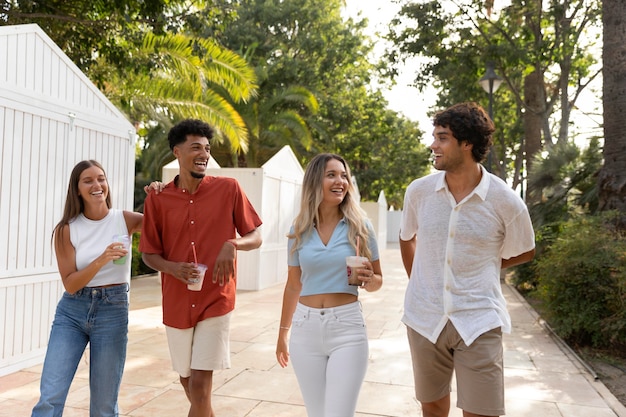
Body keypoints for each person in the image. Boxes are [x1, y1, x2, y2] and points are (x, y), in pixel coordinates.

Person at [399, 102, 536, 417]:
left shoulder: (505, 201)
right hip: (425, 318)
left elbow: (526, 250)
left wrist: (488, 265)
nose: (433, 145)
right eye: (434, 136)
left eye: (442, 137)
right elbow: (407, 237)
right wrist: (419, 282)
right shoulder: (418, 192)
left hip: (479, 318)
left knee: (481, 411)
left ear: (467, 143)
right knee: (432, 406)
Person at [139, 118, 262, 417]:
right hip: (178, 301)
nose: (204, 154)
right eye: (196, 147)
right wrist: (172, 268)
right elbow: (148, 254)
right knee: (187, 380)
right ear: (177, 153)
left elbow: (255, 236)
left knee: (201, 386)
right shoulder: (158, 198)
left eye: (207, 148)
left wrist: (231, 245)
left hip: (216, 298)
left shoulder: (229, 189)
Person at [31, 160, 143, 417]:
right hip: (72, 312)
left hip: (112, 312)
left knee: (104, 406)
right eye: (88, 180)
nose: (97, 185)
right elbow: (70, 284)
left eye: (101, 178)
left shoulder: (125, 220)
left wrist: (161, 192)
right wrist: (102, 259)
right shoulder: (67, 230)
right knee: (50, 397)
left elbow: (166, 225)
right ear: (77, 189)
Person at [276, 153, 383, 417]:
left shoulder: (360, 227)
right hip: (305, 329)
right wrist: (282, 333)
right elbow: (293, 285)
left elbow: (378, 279)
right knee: (317, 413)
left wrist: (370, 281)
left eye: (344, 175)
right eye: (331, 175)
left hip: (347, 329)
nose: (341, 181)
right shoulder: (299, 228)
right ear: (315, 182)